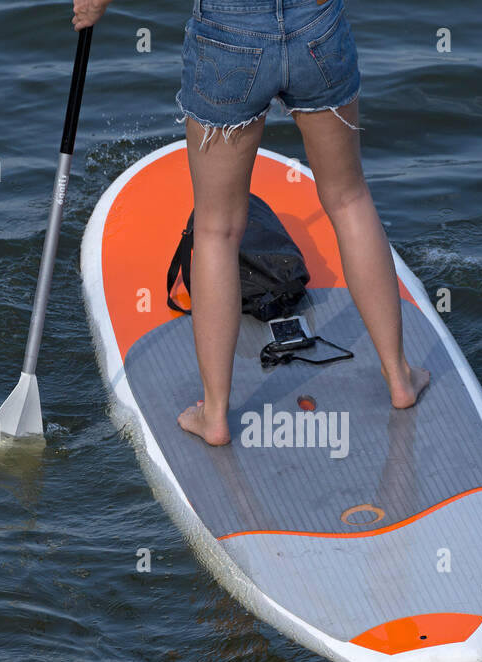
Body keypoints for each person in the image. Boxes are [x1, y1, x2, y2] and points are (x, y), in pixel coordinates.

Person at [73, 0, 428, 447]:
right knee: (348, 198)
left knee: (217, 230)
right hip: (316, 25)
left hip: (229, 33)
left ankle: (215, 415)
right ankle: (399, 377)